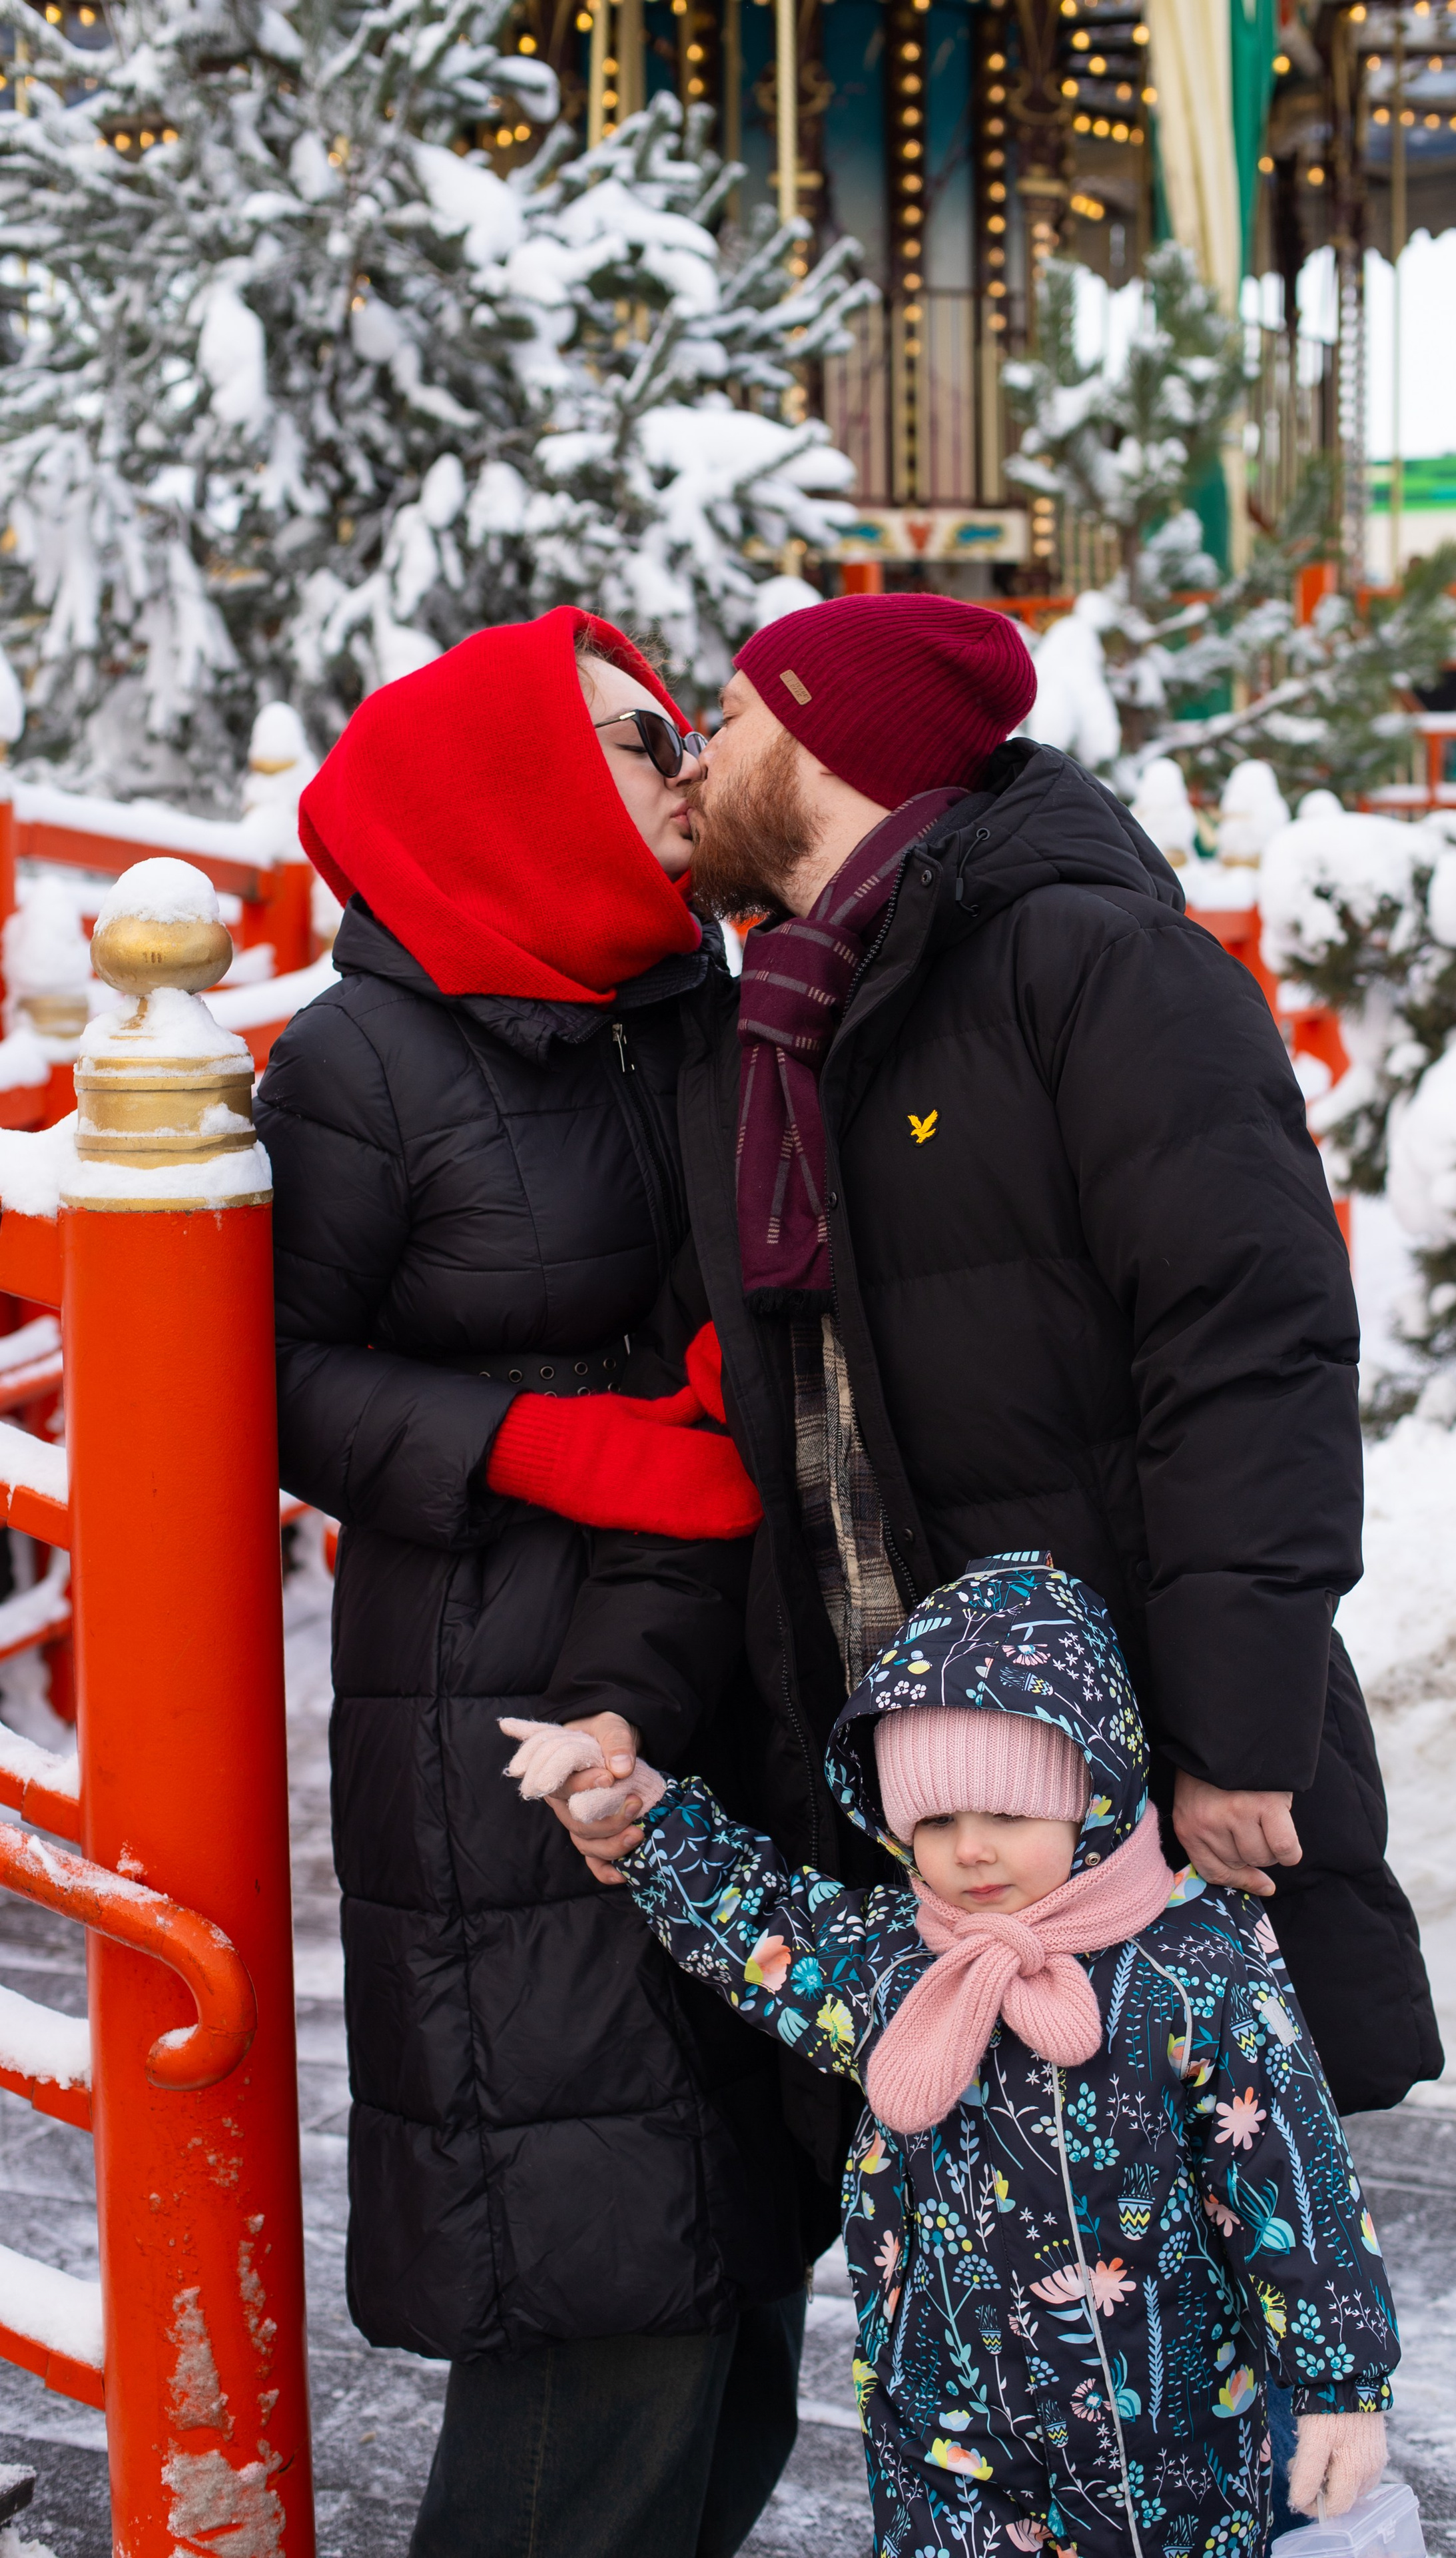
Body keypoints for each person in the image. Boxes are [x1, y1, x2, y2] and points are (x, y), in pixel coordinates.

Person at [552, 591, 1442, 2143]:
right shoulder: (781, 1026)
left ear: (831, 747)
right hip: (936, 1795)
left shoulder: (1092, 969)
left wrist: (1236, 1734)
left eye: (740, 718)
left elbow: (1248, 1349)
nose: (703, 756)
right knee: (988, 2262)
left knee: (1211, 2245)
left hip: (1138, 1771)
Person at [260, 606, 819, 2558]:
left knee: (736, 2263)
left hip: (713, 1652)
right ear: (505, 787)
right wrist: (544, 1443)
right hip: (492, 1692)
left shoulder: (692, 1000)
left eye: (674, 727)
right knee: (601, 2274)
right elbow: (273, 1380)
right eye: (620, 735)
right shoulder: (364, 1061)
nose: (676, 764)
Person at [531, 1553, 1398, 2557]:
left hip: (1162, 2448)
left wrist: (1339, 2385)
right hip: (945, 2438)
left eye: (1008, 1816)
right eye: (937, 1821)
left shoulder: (1192, 1970)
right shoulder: (894, 1958)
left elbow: (1293, 2180)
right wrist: (640, 1814)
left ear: (1091, 1797)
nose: (971, 1850)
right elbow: (758, 1923)